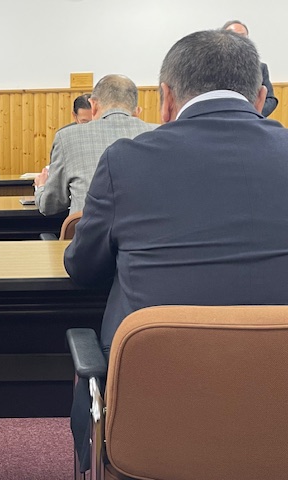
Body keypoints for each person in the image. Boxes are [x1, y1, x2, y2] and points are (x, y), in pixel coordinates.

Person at [66, 29, 288, 473]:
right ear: (262, 96)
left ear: (165, 98)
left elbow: (83, 267)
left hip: (154, 415)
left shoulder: (124, 161)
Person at [34, 75, 156, 216]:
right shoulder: (158, 133)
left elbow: (50, 205)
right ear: (136, 109)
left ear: (93, 105)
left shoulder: (66, 137)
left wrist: (41, 187)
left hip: (89, 229)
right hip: (148, 228)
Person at [223, 20, 278, 117]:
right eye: (233, 36)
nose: (239, 41)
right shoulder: (212, 67)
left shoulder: (260, 68)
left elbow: (270, 100)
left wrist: (252, 113)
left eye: (243, 37)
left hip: (252, 119)